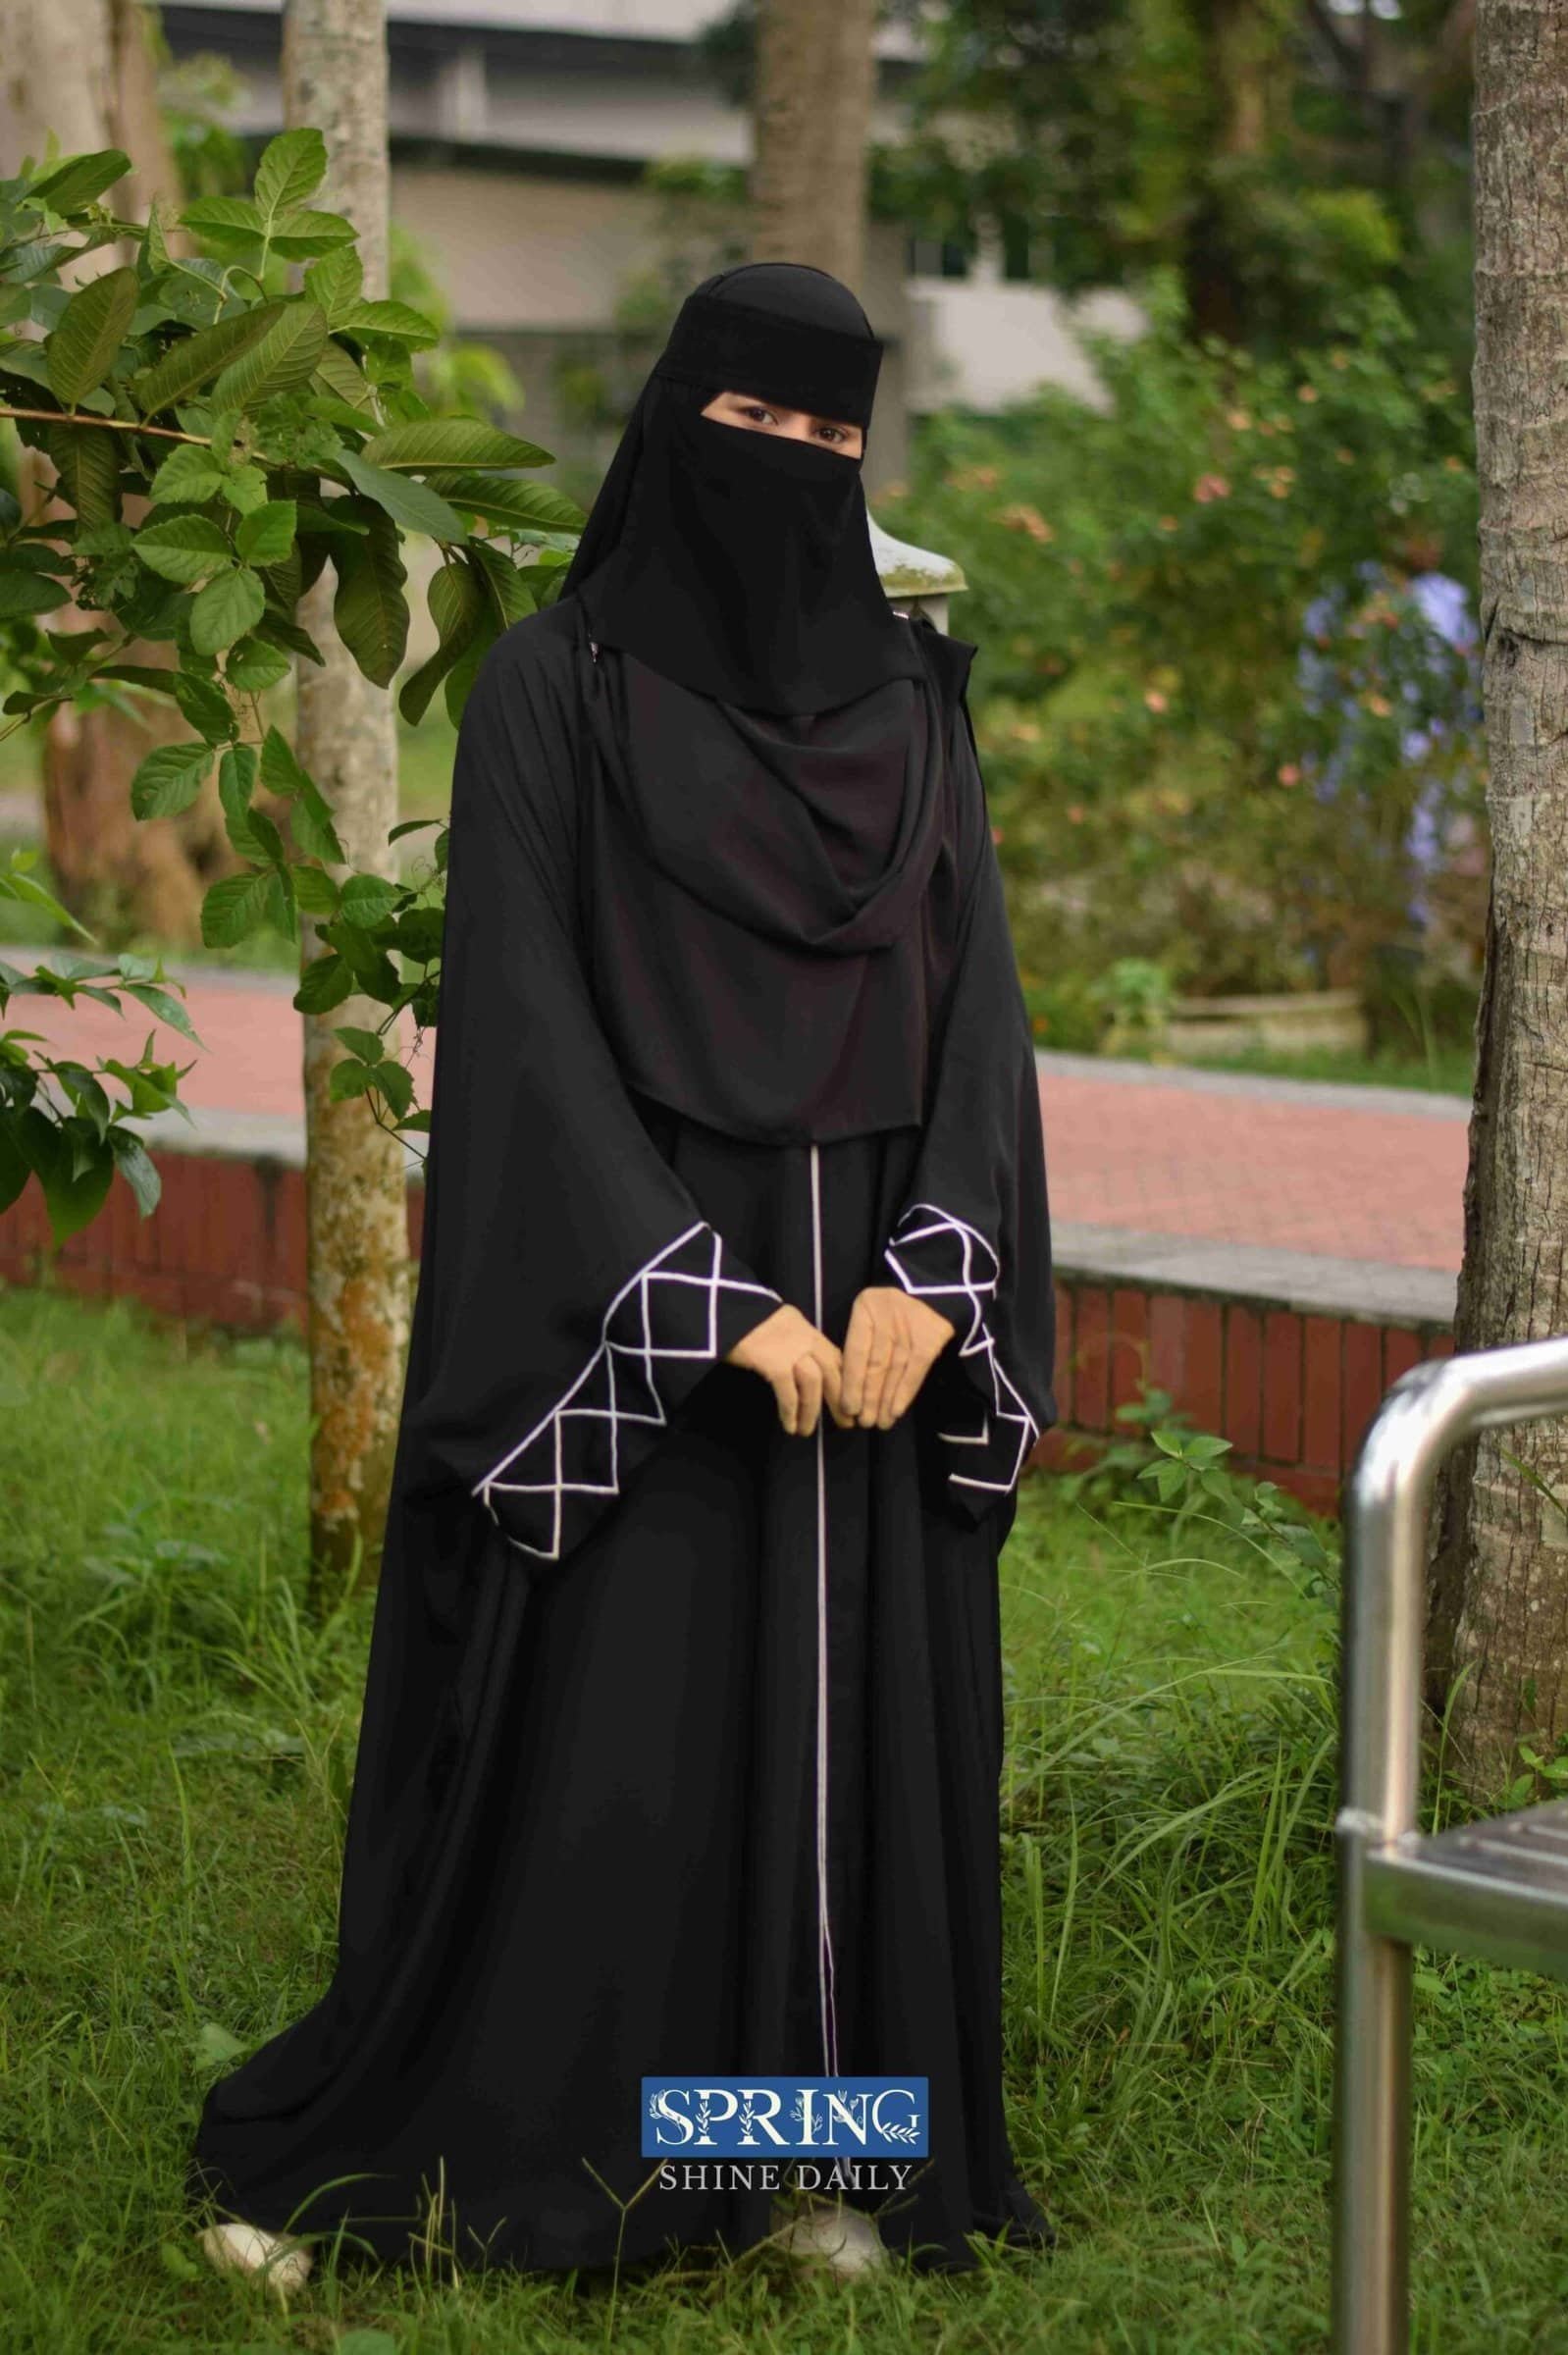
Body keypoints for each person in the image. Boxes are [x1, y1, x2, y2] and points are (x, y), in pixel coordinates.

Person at [187, 261, 1060, 2290]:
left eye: (834, 440)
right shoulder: (553, 690)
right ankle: (614, 2165)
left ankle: (816, 2166)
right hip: (657, 1337)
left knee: (856, 1761)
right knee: (632, 1782)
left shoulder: (920, 708)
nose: (793, 471)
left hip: (875, 1344)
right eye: (754, 429)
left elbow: (979, 1009)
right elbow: (515, 1031)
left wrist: (932, 1274)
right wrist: (701, 1303)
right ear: (675, 427)